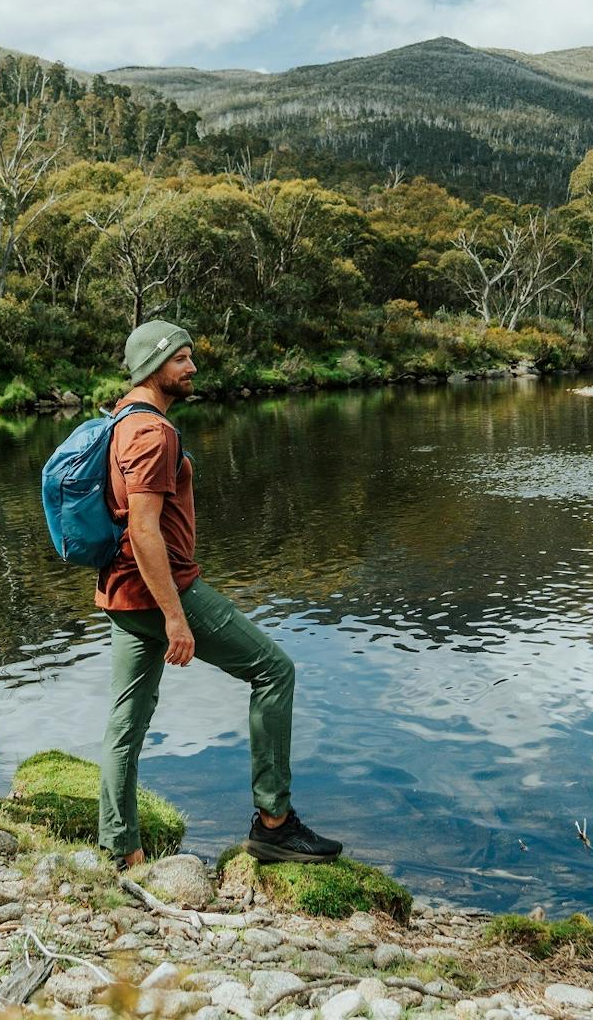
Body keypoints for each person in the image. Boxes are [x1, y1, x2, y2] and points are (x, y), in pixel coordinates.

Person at [97, 319, 345, 868]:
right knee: (274, 671)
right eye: (182, 358)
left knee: (126, 721)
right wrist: (176, 618)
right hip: (162, 591)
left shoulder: (121, 420)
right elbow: (143, 530)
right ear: (153, 366)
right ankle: (274, 823)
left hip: (119, 592)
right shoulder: (152, 433)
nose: (192, 368)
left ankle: (120, 847)